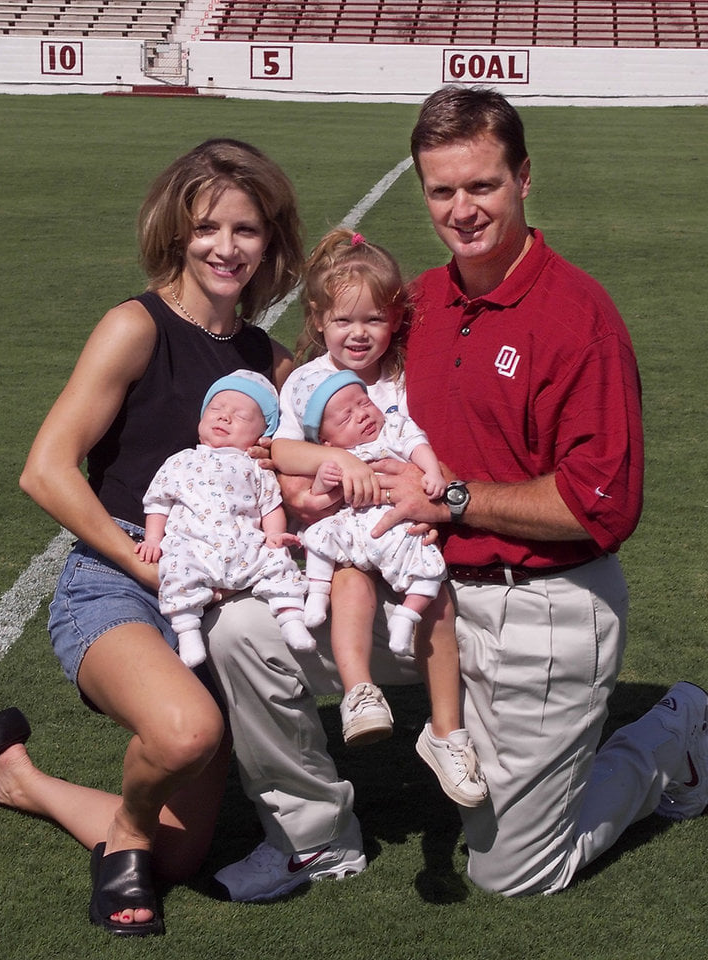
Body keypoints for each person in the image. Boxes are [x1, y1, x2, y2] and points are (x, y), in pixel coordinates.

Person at [203, 86, 706, 904]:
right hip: (418, 585)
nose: (462, 209)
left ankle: (670, 739)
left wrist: (455, 500)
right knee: (243, 631)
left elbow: (602, 505)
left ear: (524, 178)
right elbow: (344, 370)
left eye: (482, 185)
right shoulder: (425, 303)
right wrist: (309, 468)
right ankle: (314, 838)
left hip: (538, 604)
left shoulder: (581, 320)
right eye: (442, 190)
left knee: (514, 873)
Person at [0, 138, 314, 934]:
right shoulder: (135, 325)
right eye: (209, 228)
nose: (227, 248)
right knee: (188, 731)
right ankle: (124, 838)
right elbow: (45, 470)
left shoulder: (273, 362)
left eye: (248, 230)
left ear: (271, 240)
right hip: (119, 574)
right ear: (177, 232)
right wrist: (144, 565)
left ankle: (18, 778)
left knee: (180, 859)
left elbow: (298, 475)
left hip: (220, 586)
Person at [279, 367, 488, 807]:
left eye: (364, 405)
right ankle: (359, 694)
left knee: (436, 598)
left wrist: (434, 487)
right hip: (356, 538)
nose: (362, 415)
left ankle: (447, 732)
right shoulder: (309, 397)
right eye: (347, 414)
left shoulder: (395, 420)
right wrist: (331, 475)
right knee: (347, 585)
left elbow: (424, 452)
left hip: (403, 531)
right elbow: (295, 471)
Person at [137, 369, 313, 668]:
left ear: (262, 435)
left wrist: (273, 535)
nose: (224, 417)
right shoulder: (180, 461)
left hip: (246, 546)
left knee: (278, 563)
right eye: (216, 410)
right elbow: (158, 502)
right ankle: (188, 631)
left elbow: (270, 505)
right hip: (194, 546)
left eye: (241, 416)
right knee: (176, 568)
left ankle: (290, 617)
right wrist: (153, 537)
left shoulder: (256, 467)